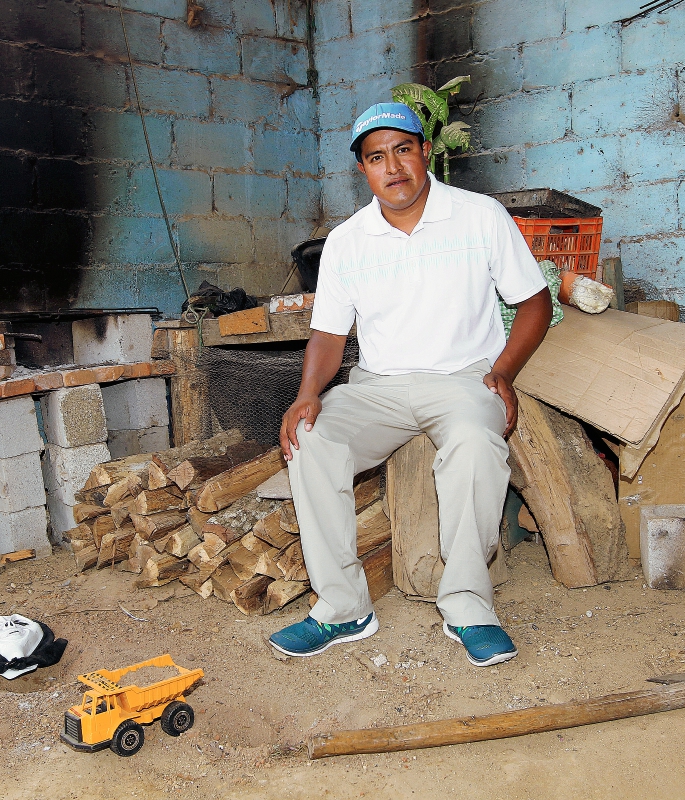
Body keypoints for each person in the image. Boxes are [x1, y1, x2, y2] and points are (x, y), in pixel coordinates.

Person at [267, 102, 553, 667]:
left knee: (474, 444)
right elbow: (327, 336)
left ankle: (469, 605)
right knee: (310, 440)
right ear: (363, 170)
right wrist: (306, 395)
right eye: (377, 157)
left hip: (464, 380)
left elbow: (535, 302)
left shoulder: (480, 215)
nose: (392, 167)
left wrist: (503, 371)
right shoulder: (348, 240)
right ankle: (343, 607)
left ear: (425, 152)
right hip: (378, 387)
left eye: (403, 149)